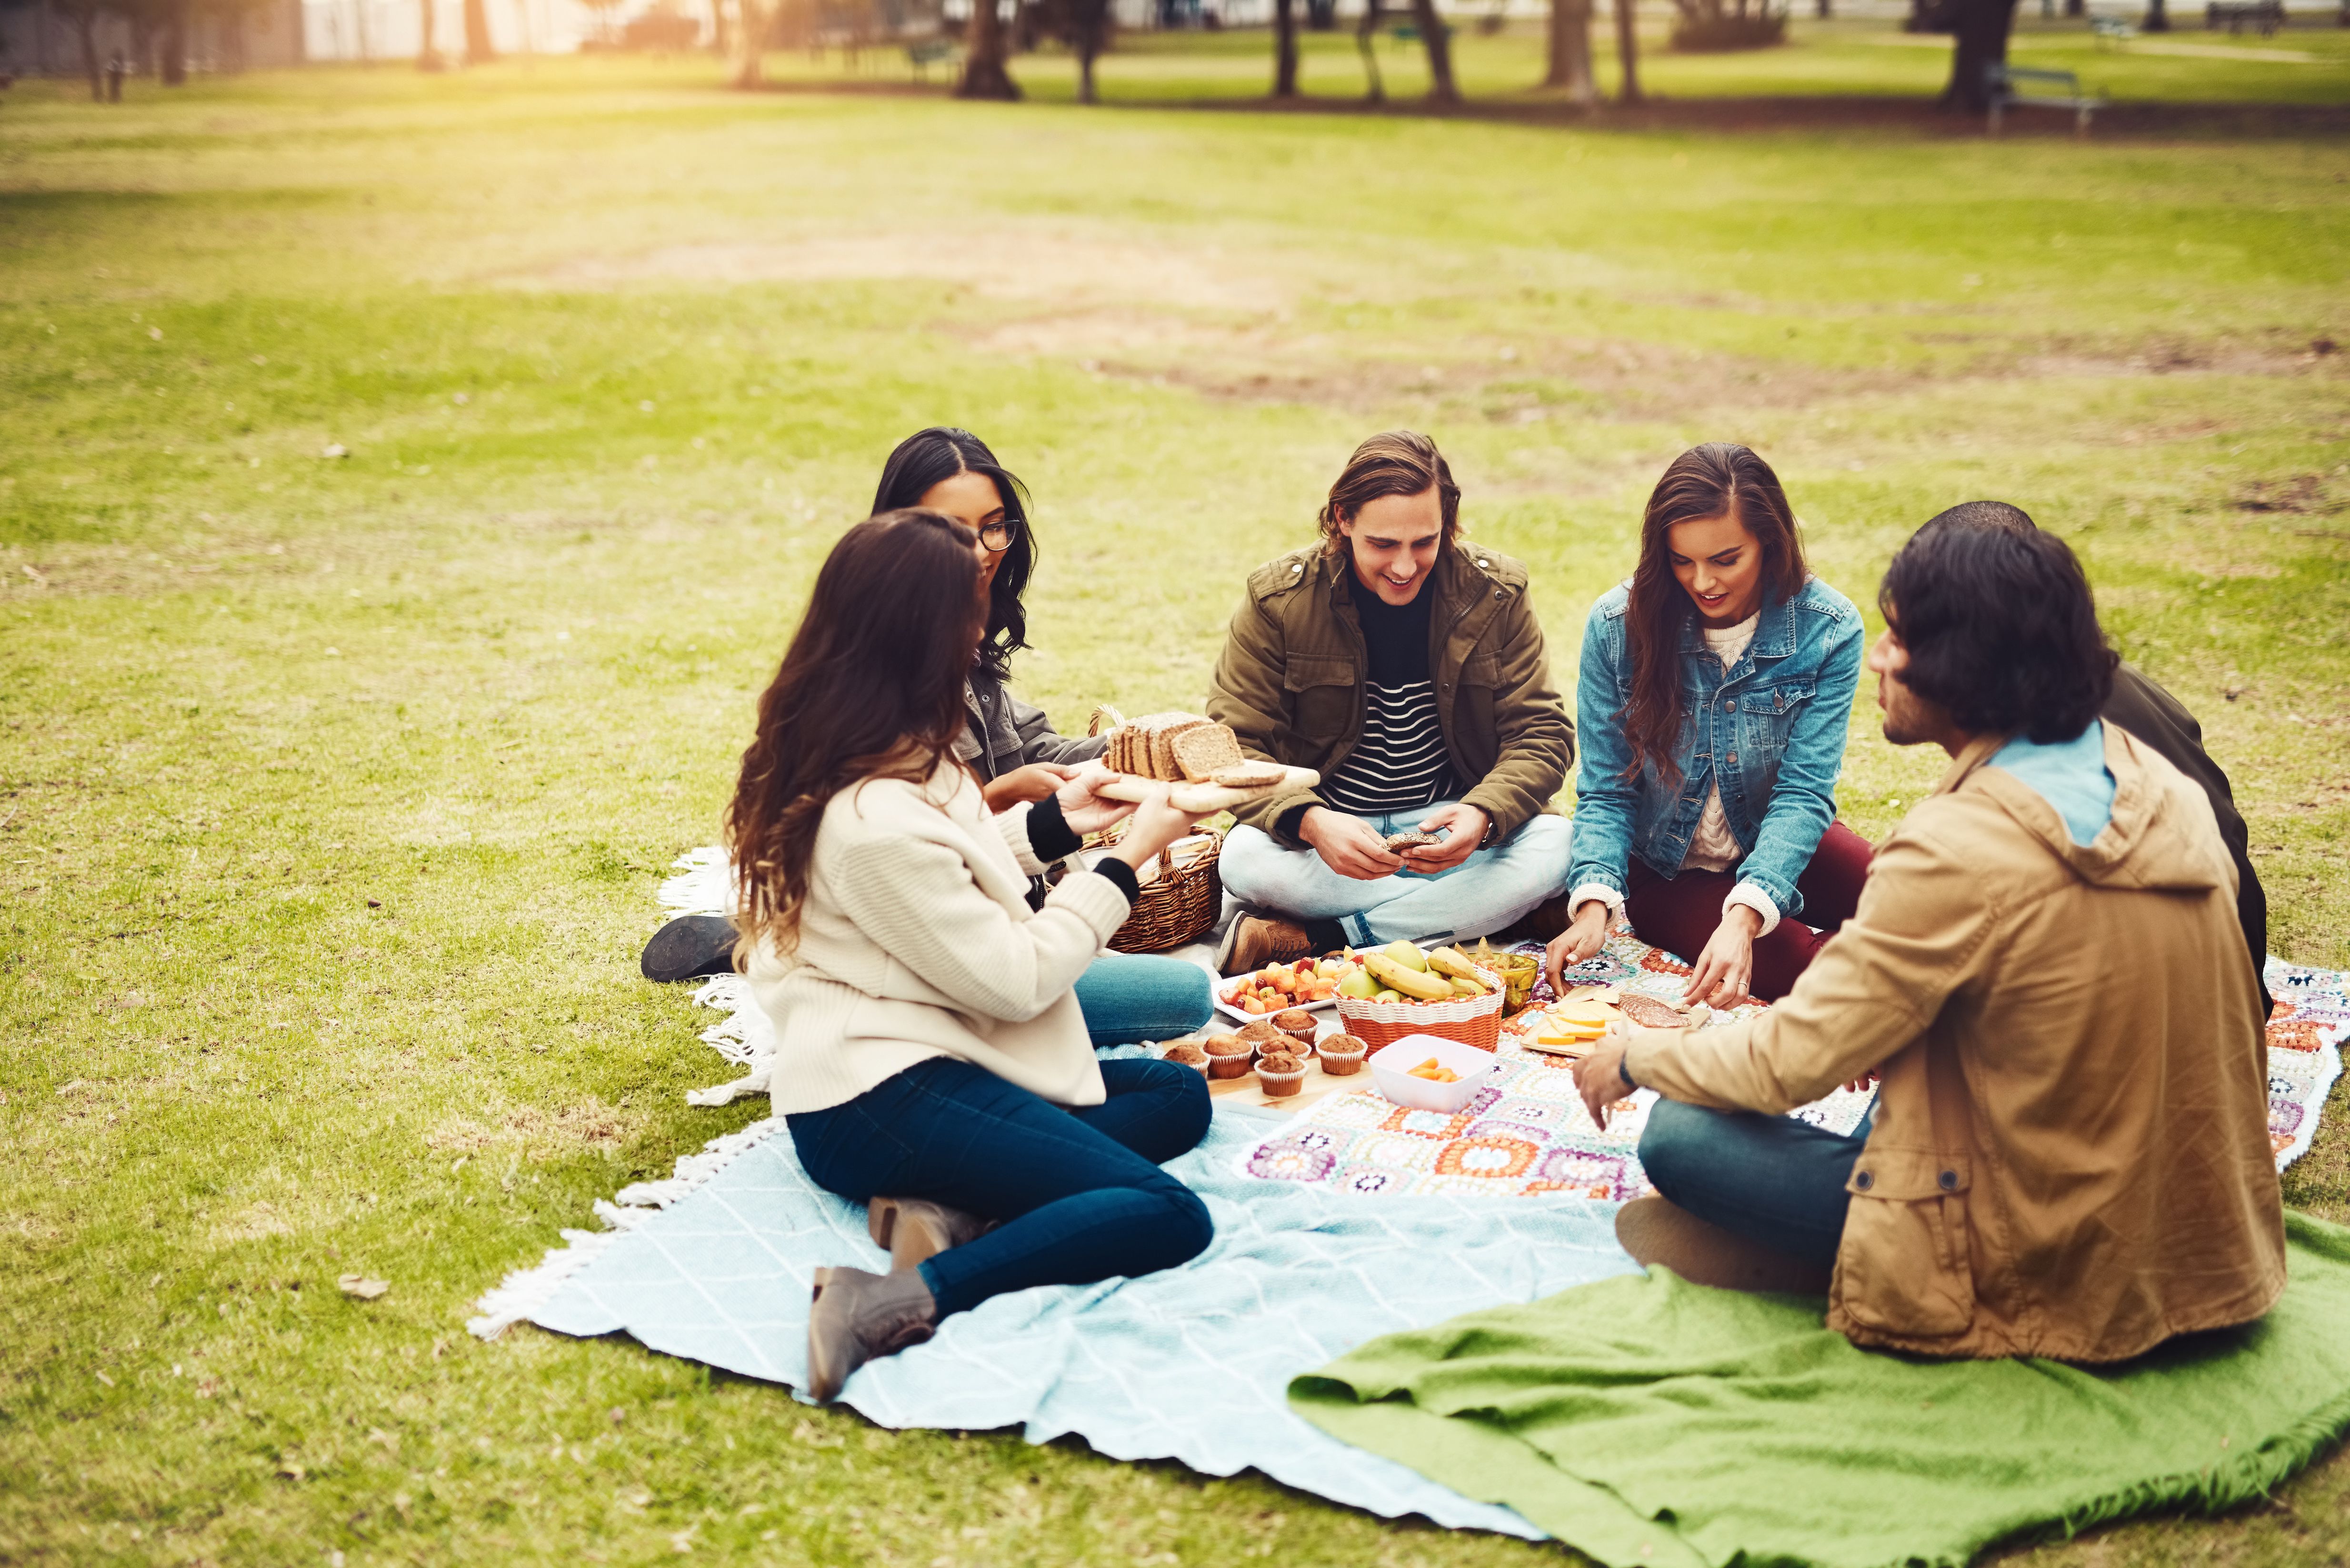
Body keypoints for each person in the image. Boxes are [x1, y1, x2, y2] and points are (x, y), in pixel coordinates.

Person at [1573, 508, 2285, 1361]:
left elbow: (1785, 1063)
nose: (1877, 653)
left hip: (2042, 1247)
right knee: (1899, 1063)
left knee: (1680, 1132)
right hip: (2199, 1233)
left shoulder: (1953, 849)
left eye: (1899, 639)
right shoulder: (2152, 781)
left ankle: (1844, 1256)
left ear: (1962, 666)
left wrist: (1632, 1058)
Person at [728, 508, 1217, 1401]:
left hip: (933, 1048)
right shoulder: (867, 816)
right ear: (922, 632)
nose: (982, 630)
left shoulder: (885, 747)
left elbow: (950, 864)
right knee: (1165, 1210)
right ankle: (893, 1298)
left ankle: (952, 1211)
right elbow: (1020, 977)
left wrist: (1063, 821)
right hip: (871, 1097)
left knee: (1177, 1093)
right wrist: (1127, 857)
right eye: (970, 609)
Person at [642, 429, 1212, 1052]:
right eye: (954, 528)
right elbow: (903, 841)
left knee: (1163, 1067)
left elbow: (1028, 747)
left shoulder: (961, 628)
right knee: (1180, 997)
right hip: (929, 930)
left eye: (995, 526)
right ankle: (787, 938)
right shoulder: (878, 687)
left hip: (955, 897)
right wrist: (1033, 813)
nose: (981, 551)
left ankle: (789, 933)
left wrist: (1135, 750)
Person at [1207, 431, 1575, 972]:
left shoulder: (1496, 594)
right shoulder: (1277, 601)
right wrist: (1309, 821)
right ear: (1343, 520)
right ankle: (1483, 913)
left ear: (1448, 522)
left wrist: (1482, 814)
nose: (1404, 566)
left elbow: (1541, 732)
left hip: (1448, 832)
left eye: (1424, 542)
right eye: (1384, 544)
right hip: (1331, 837)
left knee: (1561, 843)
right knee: (1241, 859)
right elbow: (1232, 745)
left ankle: (1324, 936)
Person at [1544, 443, 1867, 1009]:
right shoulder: (1616, 627)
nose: (1702, 582)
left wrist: (1747, 910)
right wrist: (1594, 902)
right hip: (1668, 871)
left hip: (1778, 840)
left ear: (1770, 542)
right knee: (1802, 964)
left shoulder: (1829, 627)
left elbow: (1804, 792)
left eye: (1725, 559)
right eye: (1681, 560)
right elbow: (1606, 789)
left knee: (1923, 907)